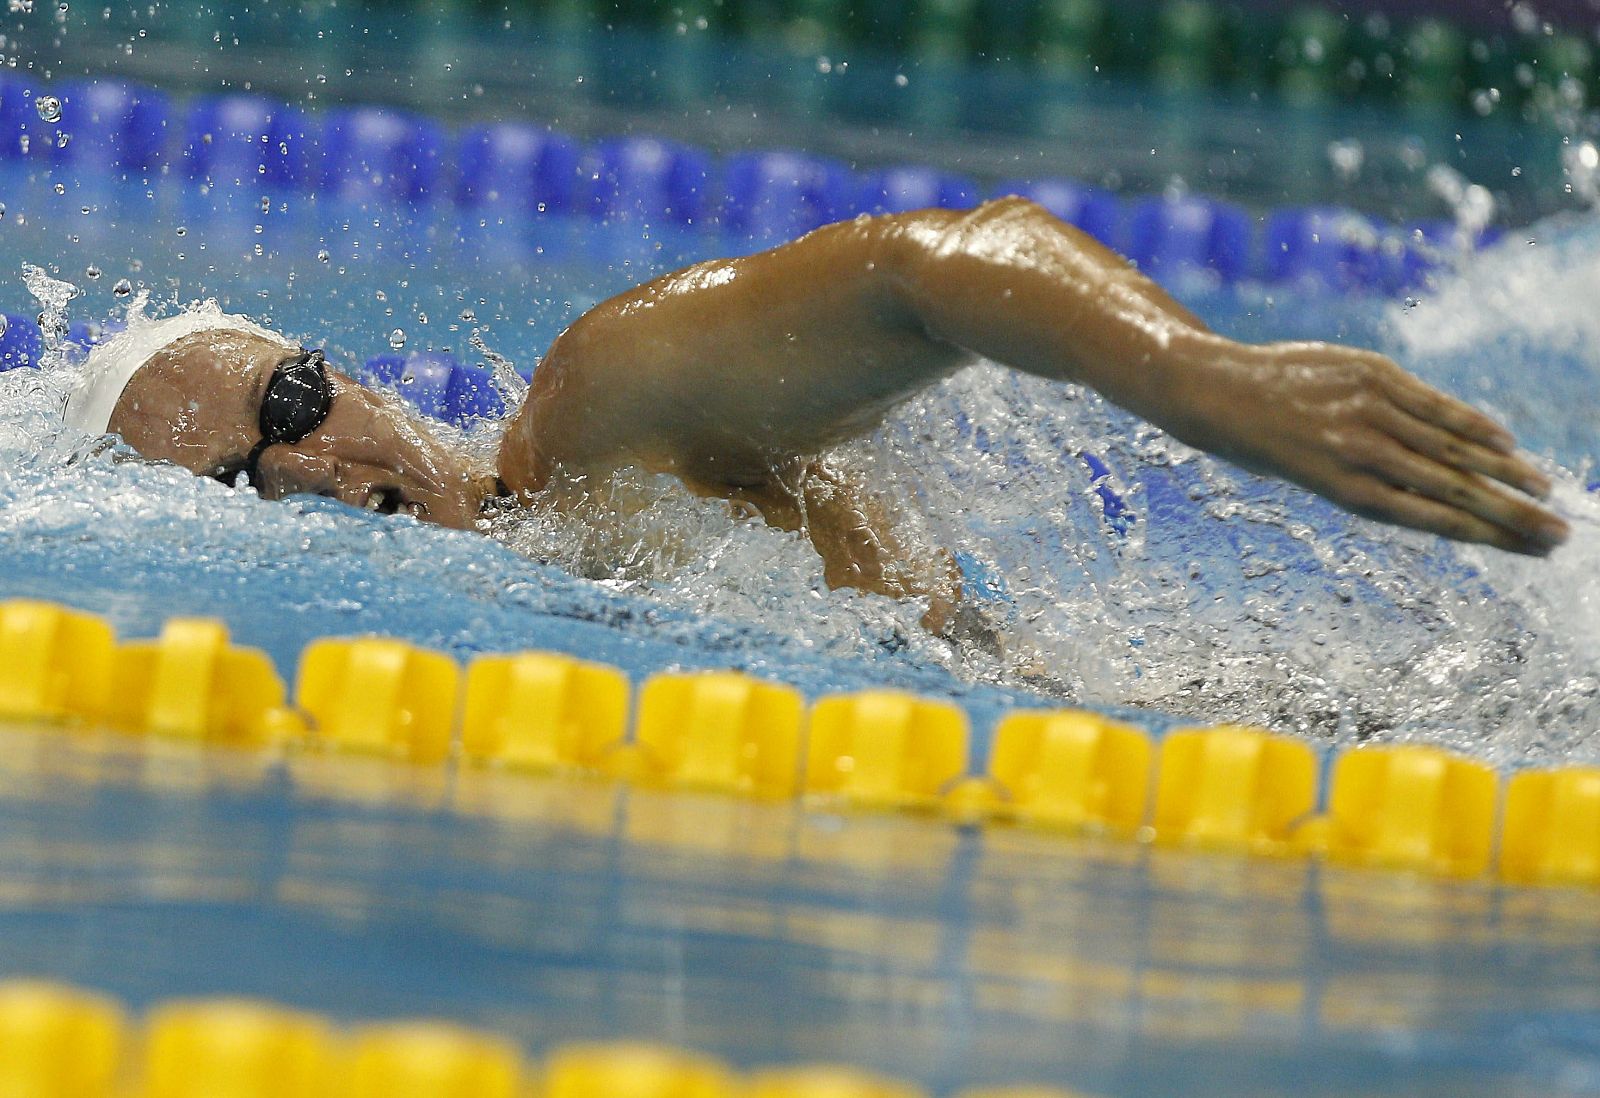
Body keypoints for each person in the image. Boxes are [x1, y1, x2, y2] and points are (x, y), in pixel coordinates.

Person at [66, 197, 1570, 632]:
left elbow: (928, 267)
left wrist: (1192, 373)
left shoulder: (598, 416)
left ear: (352, 369)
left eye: (292, 400)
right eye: (238, 486)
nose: (315, 471)